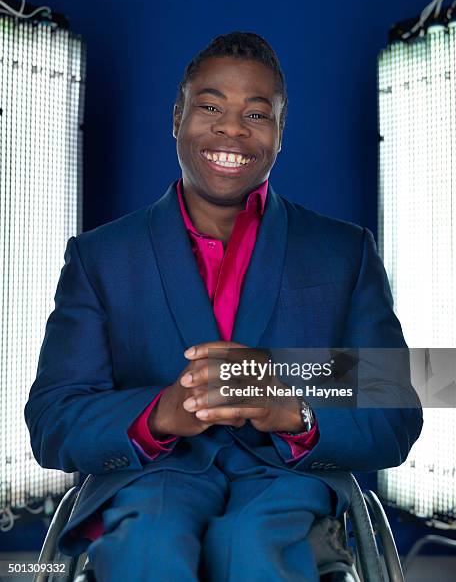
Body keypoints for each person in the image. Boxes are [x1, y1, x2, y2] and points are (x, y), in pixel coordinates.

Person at [25, 32, 423, 582]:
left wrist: (293, 410)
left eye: (257, 115)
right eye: (210, 107)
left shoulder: (341, 251)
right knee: (148, 547)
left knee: (254, 548)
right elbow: (52, 419)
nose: (232, 128)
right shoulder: (102, 257)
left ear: (280, 134)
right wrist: (157, 415)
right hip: (151, 477)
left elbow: (396, 408)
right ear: (177, 117)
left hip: (290, 478)